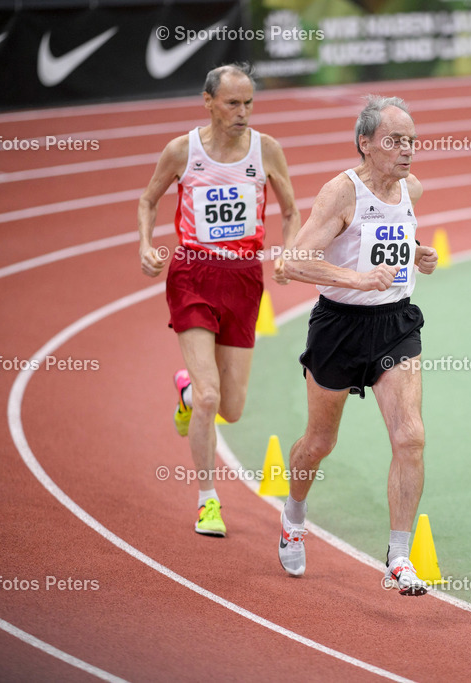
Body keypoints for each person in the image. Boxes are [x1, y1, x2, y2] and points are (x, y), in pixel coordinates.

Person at [275, 95, 438, 596]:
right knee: (321, 442)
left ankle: (397, 559)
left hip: (395, 324)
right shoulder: (340, 193)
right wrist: (357, 279)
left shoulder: (410, 187)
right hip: (340, 327)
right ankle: (293, 517)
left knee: (410, 436)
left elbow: (390, 241)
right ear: (365, 144)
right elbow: (291, 262)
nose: (406, 150)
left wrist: (417, 254)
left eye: (411, 140)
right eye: (394, 140)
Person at [138, 63, 300, 537]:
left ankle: (186, 389)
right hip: (193, 274)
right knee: (212, 399)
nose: (243, 112)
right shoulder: (182, 151)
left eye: (249, 102)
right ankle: (208, 501)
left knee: (231, 408)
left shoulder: (266, 150)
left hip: (245, 280)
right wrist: (146, 245)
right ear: (208, 102)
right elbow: (148, 199)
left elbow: (291, 211)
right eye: (233, 103)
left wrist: (287, 255)